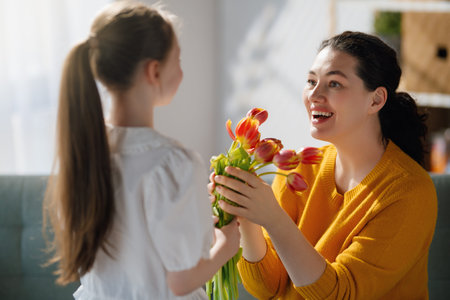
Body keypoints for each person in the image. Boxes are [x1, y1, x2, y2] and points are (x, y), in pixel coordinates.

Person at [209, 31, 437, 299]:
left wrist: (273, 219)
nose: (314, 95)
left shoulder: (408, 192)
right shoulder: (298, 167)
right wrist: (247, 215)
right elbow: (267, 288)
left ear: (375, 100)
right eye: (311, 81)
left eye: (335, 84)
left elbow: (341, 294)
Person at [43, 1, 240, 299]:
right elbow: (181, 281)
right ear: (154, 71)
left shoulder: (82, 154)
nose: (182, 72)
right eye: (179, 59)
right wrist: (226, 246)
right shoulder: (174, 164)